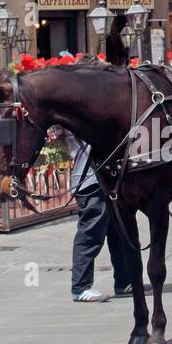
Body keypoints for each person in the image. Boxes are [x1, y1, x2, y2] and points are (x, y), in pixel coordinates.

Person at [63, 129, 137, 302]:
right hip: (90, 181)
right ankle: (80, 287)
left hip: (104, 179)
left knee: (118, 232)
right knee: (90, 234)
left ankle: (124, 281)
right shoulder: (76, 121)